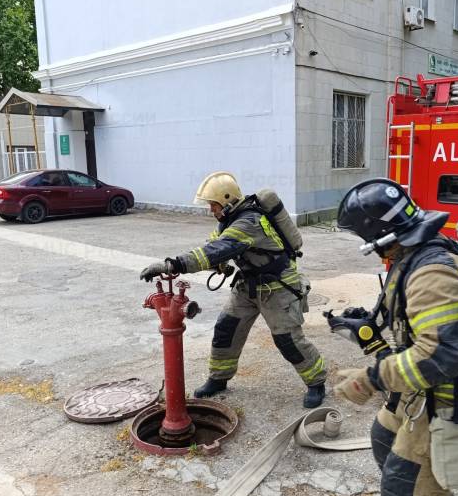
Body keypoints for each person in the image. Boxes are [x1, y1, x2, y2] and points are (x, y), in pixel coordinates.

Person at [332, 178, 458, 496]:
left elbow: (439, 357)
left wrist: (371, 378)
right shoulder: (416, 253)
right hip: (428, 390)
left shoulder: (430, 273)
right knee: (384, 436)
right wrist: (368, 333)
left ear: (381, 233)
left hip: (447, 400)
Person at [140, 171, 327, 408]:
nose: (211, 210)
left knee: (287, 339)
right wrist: (220, 262)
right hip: (248, 284)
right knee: (226, 329)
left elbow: (218, 249)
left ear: (227, 200)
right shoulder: (229, 220)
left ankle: (316, 382)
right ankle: (218, 379)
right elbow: (215, 246)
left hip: (278, 286)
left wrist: (172, 264)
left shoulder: (249, 222)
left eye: (213, 204)